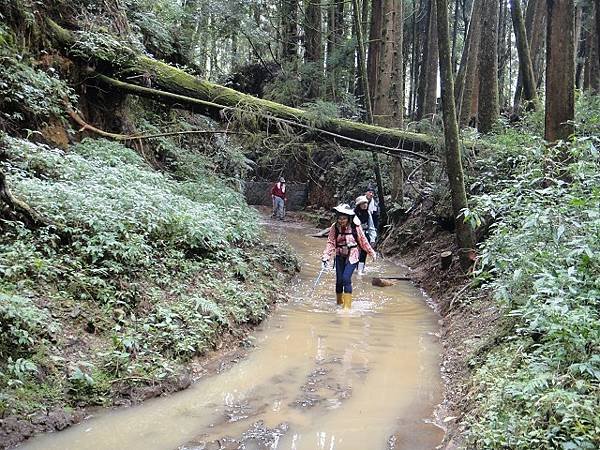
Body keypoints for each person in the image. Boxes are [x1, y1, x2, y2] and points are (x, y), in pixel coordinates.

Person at [321, 204, 376, 309]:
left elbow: (363, 241)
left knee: (346, 279)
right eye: (340, 218)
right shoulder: (334, 227)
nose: (342, 221)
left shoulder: (355, 227)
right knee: (339, 282)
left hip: (353, 255)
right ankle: (339, 303)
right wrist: (326, 256)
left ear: (349, 218)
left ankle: (347, 308)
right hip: (339, 255)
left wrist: (371, 252)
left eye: (344, 218)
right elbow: (331, 242)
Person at [354, 195, 377, 274]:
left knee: (364, 253)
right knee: (354, 252)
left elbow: (371, 227)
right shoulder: (353, 214)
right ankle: (353, 267)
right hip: (355, 235)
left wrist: (373, 239)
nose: (365, 205)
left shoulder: (368, 213)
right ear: (358, 205)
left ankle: (360, 270)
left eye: (366, 203)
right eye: (362, 203)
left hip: (365, 235)